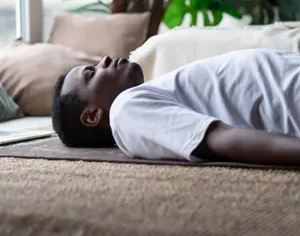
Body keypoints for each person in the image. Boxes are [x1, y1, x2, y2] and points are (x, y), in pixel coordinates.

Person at [52, 48, 300, 166]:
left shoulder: (150, 96)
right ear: (93, 115)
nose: (103, 60)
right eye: (90, 73)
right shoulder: (124, 110)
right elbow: (224, 139)